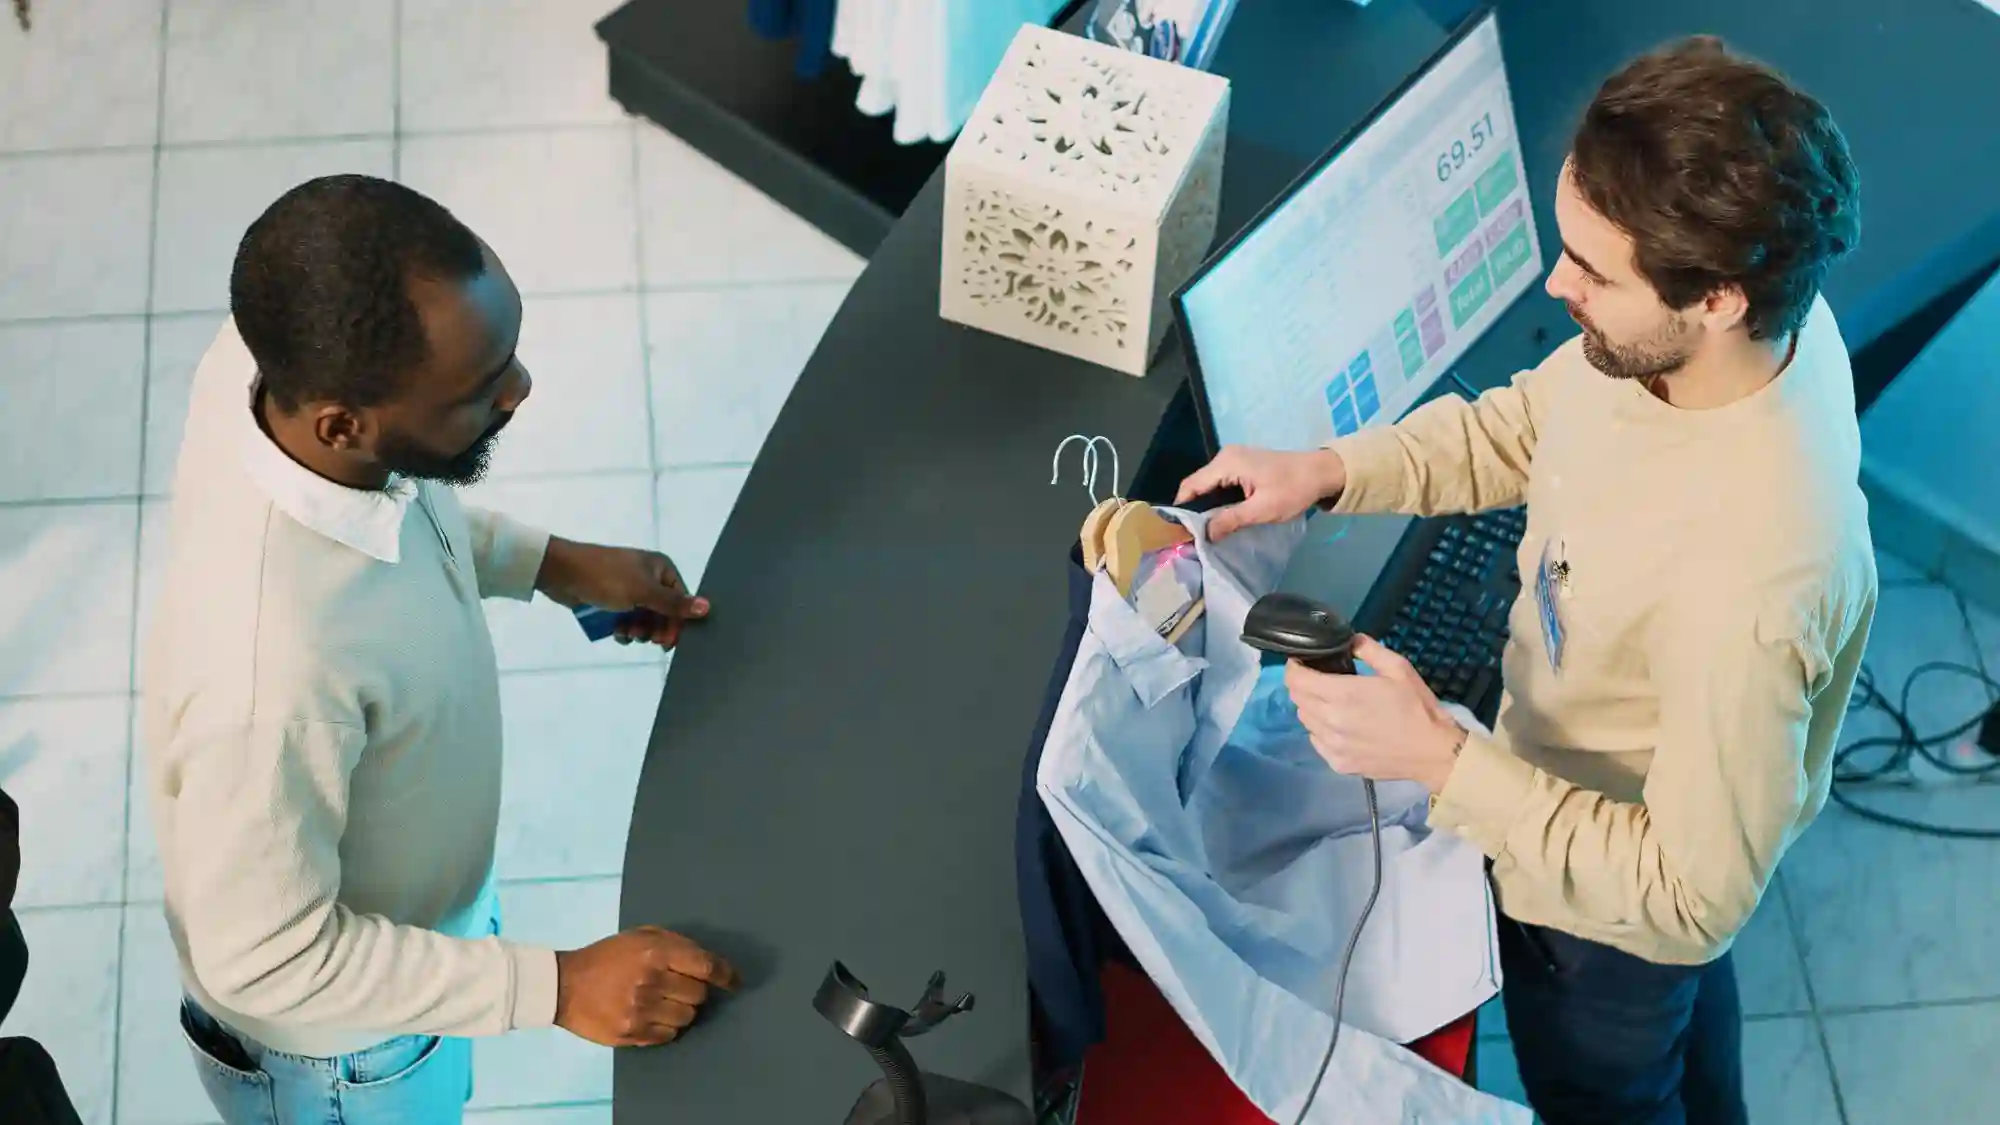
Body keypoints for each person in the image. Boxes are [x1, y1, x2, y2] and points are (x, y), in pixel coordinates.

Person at [1178, 37, 1872, 1125]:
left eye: (1592, 273)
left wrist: (1440, 761)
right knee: (1695, 1042)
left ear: (1718, 299)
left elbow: (1686, 902)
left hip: (1606, 924)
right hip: (1630, 792)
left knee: (1613, 1087)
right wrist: (1329, 471)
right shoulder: (1747, 329)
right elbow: (1535, 422)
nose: (1555, 287)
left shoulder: (1747, 580)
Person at [140, 175, 740, 1125]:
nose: (521, 389)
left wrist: (549, 562)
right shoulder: (271, 673)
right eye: (480, 391)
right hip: (342, 1059)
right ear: (342, 421)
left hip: (416, 930)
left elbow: (402, 498)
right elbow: (264, 954)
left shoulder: (262, 379)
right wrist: (560, 986)